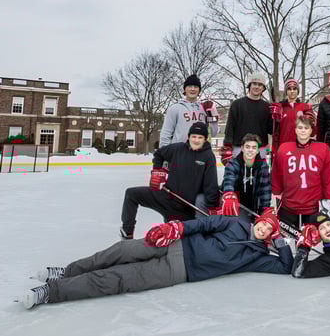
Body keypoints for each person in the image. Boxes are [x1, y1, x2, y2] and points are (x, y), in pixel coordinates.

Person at [20, 213, 292, 309]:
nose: (264, 230)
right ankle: (65, 271)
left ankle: (50, 293)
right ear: (259, 221)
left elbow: (285, 266)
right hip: (174, 243)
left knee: (118, 279)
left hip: (176, 271)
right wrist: (177, 229)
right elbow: (204, 223)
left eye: (270, 230)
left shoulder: (255, 256)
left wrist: (281, 242)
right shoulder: (235, 223)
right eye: (265, 225)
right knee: (120, 251)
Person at [120, 122, 219, 239]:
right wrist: (157, 170)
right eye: (194, 136)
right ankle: (128, 233)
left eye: (200, 137)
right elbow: (159, 154)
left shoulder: (208, 156)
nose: (196, 140)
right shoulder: (178, 148)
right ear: (189, 137)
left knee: (174, 243)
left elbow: (210, 185)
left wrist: (212, 207)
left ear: (205, 139)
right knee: (131, 194)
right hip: (165, 197)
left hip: (184, 209)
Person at [271, 117, 330, 229]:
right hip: (288, 207)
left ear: (311, 130)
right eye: (300, 127)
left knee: (314, 243)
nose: (303, 130)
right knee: (285, 241)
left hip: (314, 209)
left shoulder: (323, 149)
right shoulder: (283, 148)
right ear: (295, 130)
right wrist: (276, 194)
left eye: (306, 128)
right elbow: (276, 175)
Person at [221, 72, 272, 166]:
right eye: (254, 84)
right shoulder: (237, 104)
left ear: (263, 88)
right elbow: (230, 127)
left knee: (259, 179)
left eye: (260, 85)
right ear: (249, 85)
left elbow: (271, 130)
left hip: (260, 149)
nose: (257, 87)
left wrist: (276, 119)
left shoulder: (267, 107)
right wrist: (227, 146)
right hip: (239, 148)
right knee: (236, 178)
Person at [221, 133, 272, 222]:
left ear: (257, 150)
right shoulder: (232, 164)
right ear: (242, 148)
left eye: (253, 147)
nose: (250, 150)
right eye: (247, 147)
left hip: (252, 207)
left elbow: (265, 191)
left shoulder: (262, 166)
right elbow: (229, 181)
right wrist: (229, 194)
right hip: (234, 205)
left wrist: (264, 210)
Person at [159, 74, 219, 148]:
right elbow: (166, 134)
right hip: (179, 153)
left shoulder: (204, 108)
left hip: (200, 153)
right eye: (190, 86)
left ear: (199, 90)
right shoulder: (175, 108)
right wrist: (164, 153)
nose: (192, 89)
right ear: (185, 89)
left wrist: (212, 113)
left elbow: (213, 133)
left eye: (196, 87)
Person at [270, 78, 316, 156]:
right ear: (286, 91)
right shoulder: (280, 107)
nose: (292, 91)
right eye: (289, 89)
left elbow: (313, 133)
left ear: (298, 91)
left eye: (294, 89)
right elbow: (275, 132)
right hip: (284, 148)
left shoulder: (305, 107)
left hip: (301, 148)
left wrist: (312, 122)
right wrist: (275, 151)